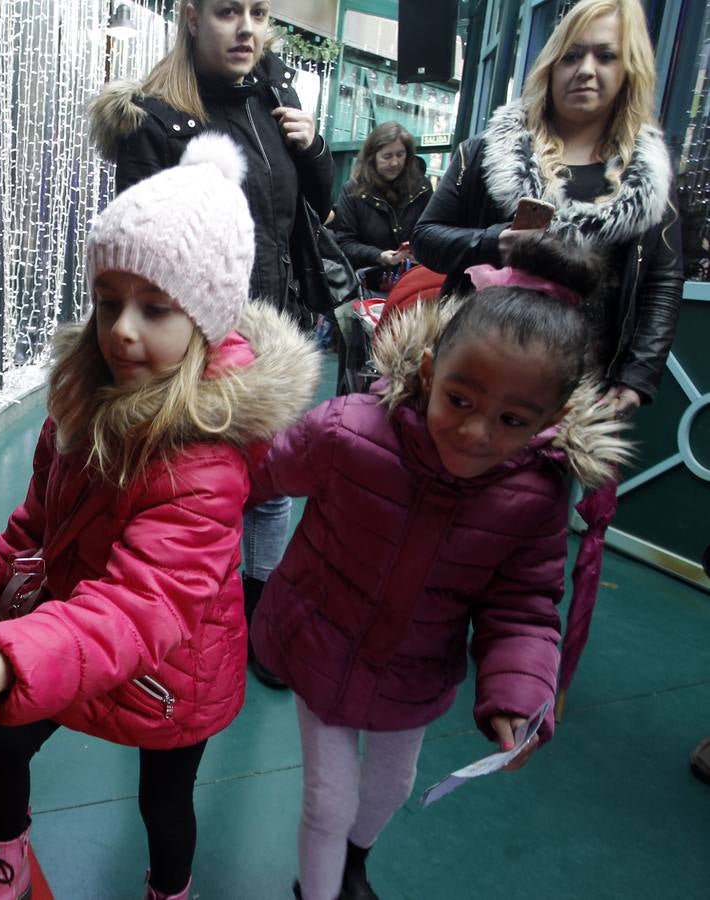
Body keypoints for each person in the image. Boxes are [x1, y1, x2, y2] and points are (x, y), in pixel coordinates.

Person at [0, 135, 320, 900]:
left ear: (206, 320)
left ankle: (171, 890)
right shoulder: (81, 405)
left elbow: (147, 605)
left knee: (162, 803)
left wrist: (9, 657)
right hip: (72, 639)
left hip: (172, 672)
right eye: (109, 302)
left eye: (155, 308)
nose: (122, 329)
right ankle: (5, 856)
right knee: (1, 742)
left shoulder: (203, 463)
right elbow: (40, 518)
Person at [246, 234, 632, 900]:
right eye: (460, 399)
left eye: (512, 419)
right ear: (428, 372)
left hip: (414, 669)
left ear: (551, 420)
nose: (477, 433)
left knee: (391, 787)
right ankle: (319, 890)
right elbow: (262, 473)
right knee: (328, 800)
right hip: (321, 642)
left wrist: (518, 694)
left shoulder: (535, 495)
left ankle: (353, 865)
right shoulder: (347, 433)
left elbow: (524, 604)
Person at [88, 0, 334, 688]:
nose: (248, 28)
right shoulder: (155, 119)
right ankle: (168, 628)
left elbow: (317, 205)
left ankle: (255, 621)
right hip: (199, 347)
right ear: (192, 17)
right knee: (188, 489)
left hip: (277, 328)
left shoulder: (275, 89)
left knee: (269, 488)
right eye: (229, 11)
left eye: (259, 12)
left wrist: (311, 146)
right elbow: (143, 256)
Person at [412, 0, 683, 418]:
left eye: (606, 55)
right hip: (473, 375)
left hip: (580, 393)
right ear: (551, 66)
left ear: (630, 68)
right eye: (572, 55)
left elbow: (663, 280)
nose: (586, 69)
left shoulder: (650, 180)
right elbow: (427, 239)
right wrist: (492, 243)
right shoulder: (485, 153)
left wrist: (639, 376)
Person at [332, 121, 434, 282]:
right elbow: (344, 243)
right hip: (367, 281)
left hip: (413, 280)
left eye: (400, 155)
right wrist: (379, 256)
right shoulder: (352, 191)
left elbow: (431, 230)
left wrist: (421, 250)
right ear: (372, 157)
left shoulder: (422, 188)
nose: (394, 163)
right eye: (387, 156)